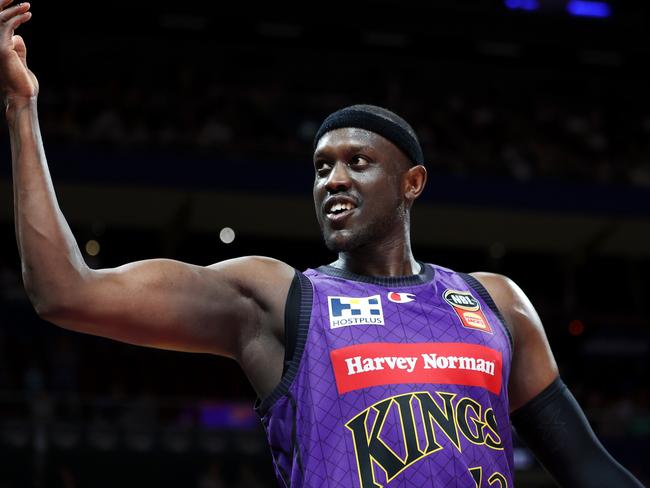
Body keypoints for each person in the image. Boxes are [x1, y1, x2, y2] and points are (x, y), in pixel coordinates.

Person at [0, 3, 644, 487]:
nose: (333, 179)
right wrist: (21, 110)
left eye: (357, 162)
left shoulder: (495, 302)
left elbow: (588, 467)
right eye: (320, 167)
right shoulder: (282, 300)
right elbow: (64, 291)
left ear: (411, 183)